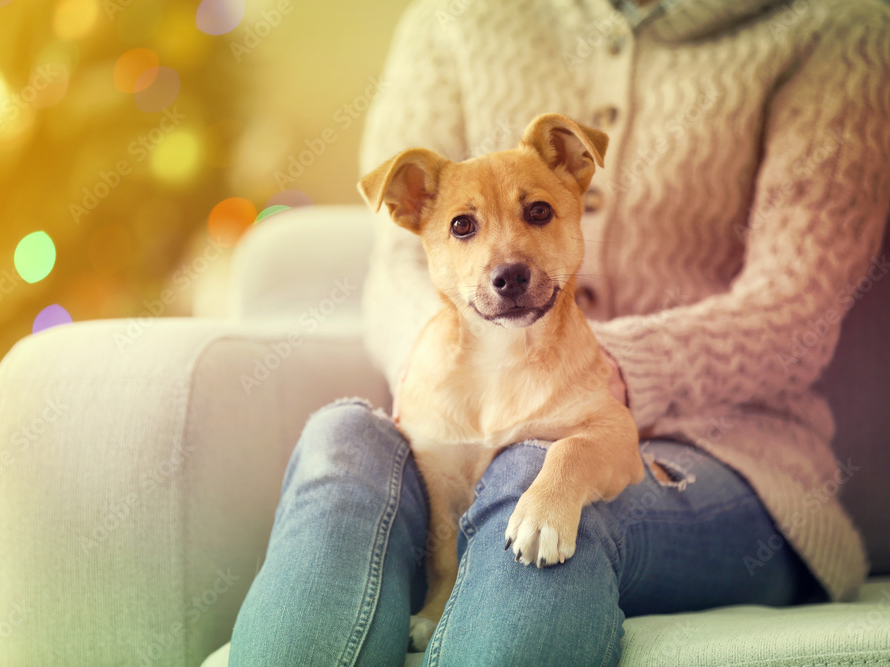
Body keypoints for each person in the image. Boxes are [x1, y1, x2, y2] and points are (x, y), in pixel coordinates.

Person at [230, 0, 890, 663]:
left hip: (738, 460)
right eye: (467, 227)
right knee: (341, 439)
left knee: (536, 468)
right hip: (459, 405)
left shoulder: (835, 25)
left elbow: (796, 308)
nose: (507, 257)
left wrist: (600, 369)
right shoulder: (455, 17)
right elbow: (397, 259)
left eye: (539, 212)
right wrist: (446, 373)